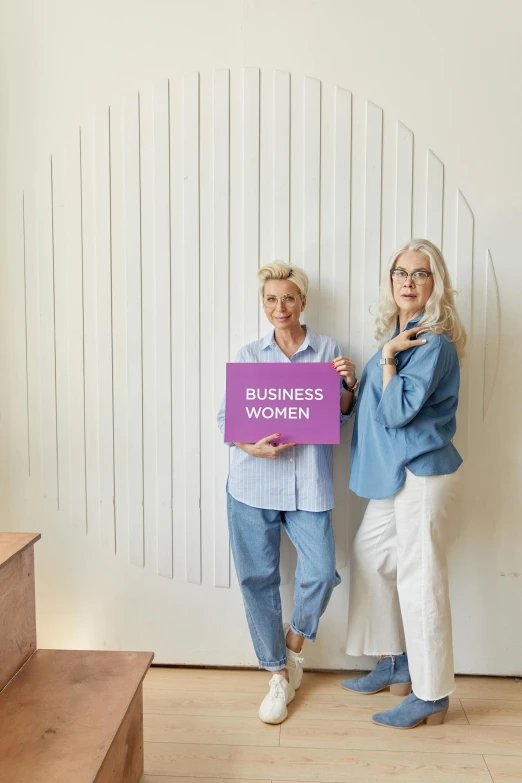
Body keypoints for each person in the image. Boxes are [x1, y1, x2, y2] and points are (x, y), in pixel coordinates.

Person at [217, 261, 356, 725]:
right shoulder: (248, 354)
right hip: (252, 483)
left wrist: (348, 386)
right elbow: (226, 421)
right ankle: (276, 675)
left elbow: (337, 418)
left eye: (288, 299)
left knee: (320, 572)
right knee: (258, 580)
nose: (280, 308)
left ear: (303, 302)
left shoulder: (328, 350)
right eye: (271, 299)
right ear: (264, 304)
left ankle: (293, 649)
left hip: (307, 484)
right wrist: (250, 446)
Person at [341, 238, 466, 729]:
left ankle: (431, 694)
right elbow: (373, 404)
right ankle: (394, 661)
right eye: (400, 273)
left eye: (420, 274)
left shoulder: (431, 340)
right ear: (390, 280)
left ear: (436, 284)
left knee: (421, 578)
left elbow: (394, 411)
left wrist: (389, 357)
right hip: (395, 474)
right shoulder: (399, 332)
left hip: (423, 472)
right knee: (371, 557)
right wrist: (358, 380)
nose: (408, 282)